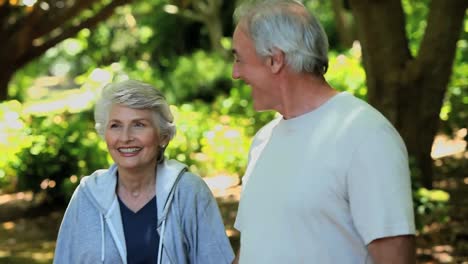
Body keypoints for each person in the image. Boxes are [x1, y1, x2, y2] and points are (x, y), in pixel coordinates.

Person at [231, 0, 416, 263]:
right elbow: (255, 246)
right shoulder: (264, 140)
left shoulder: (365, 135)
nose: (235, 73)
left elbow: (395, 258)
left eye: (239, 58)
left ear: (275, 60)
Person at [53, 80, 234, 264]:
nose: (125, 137)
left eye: (138, 124)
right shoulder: (86, 196)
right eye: (115, 125)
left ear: (163, 136)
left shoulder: (188, 191)